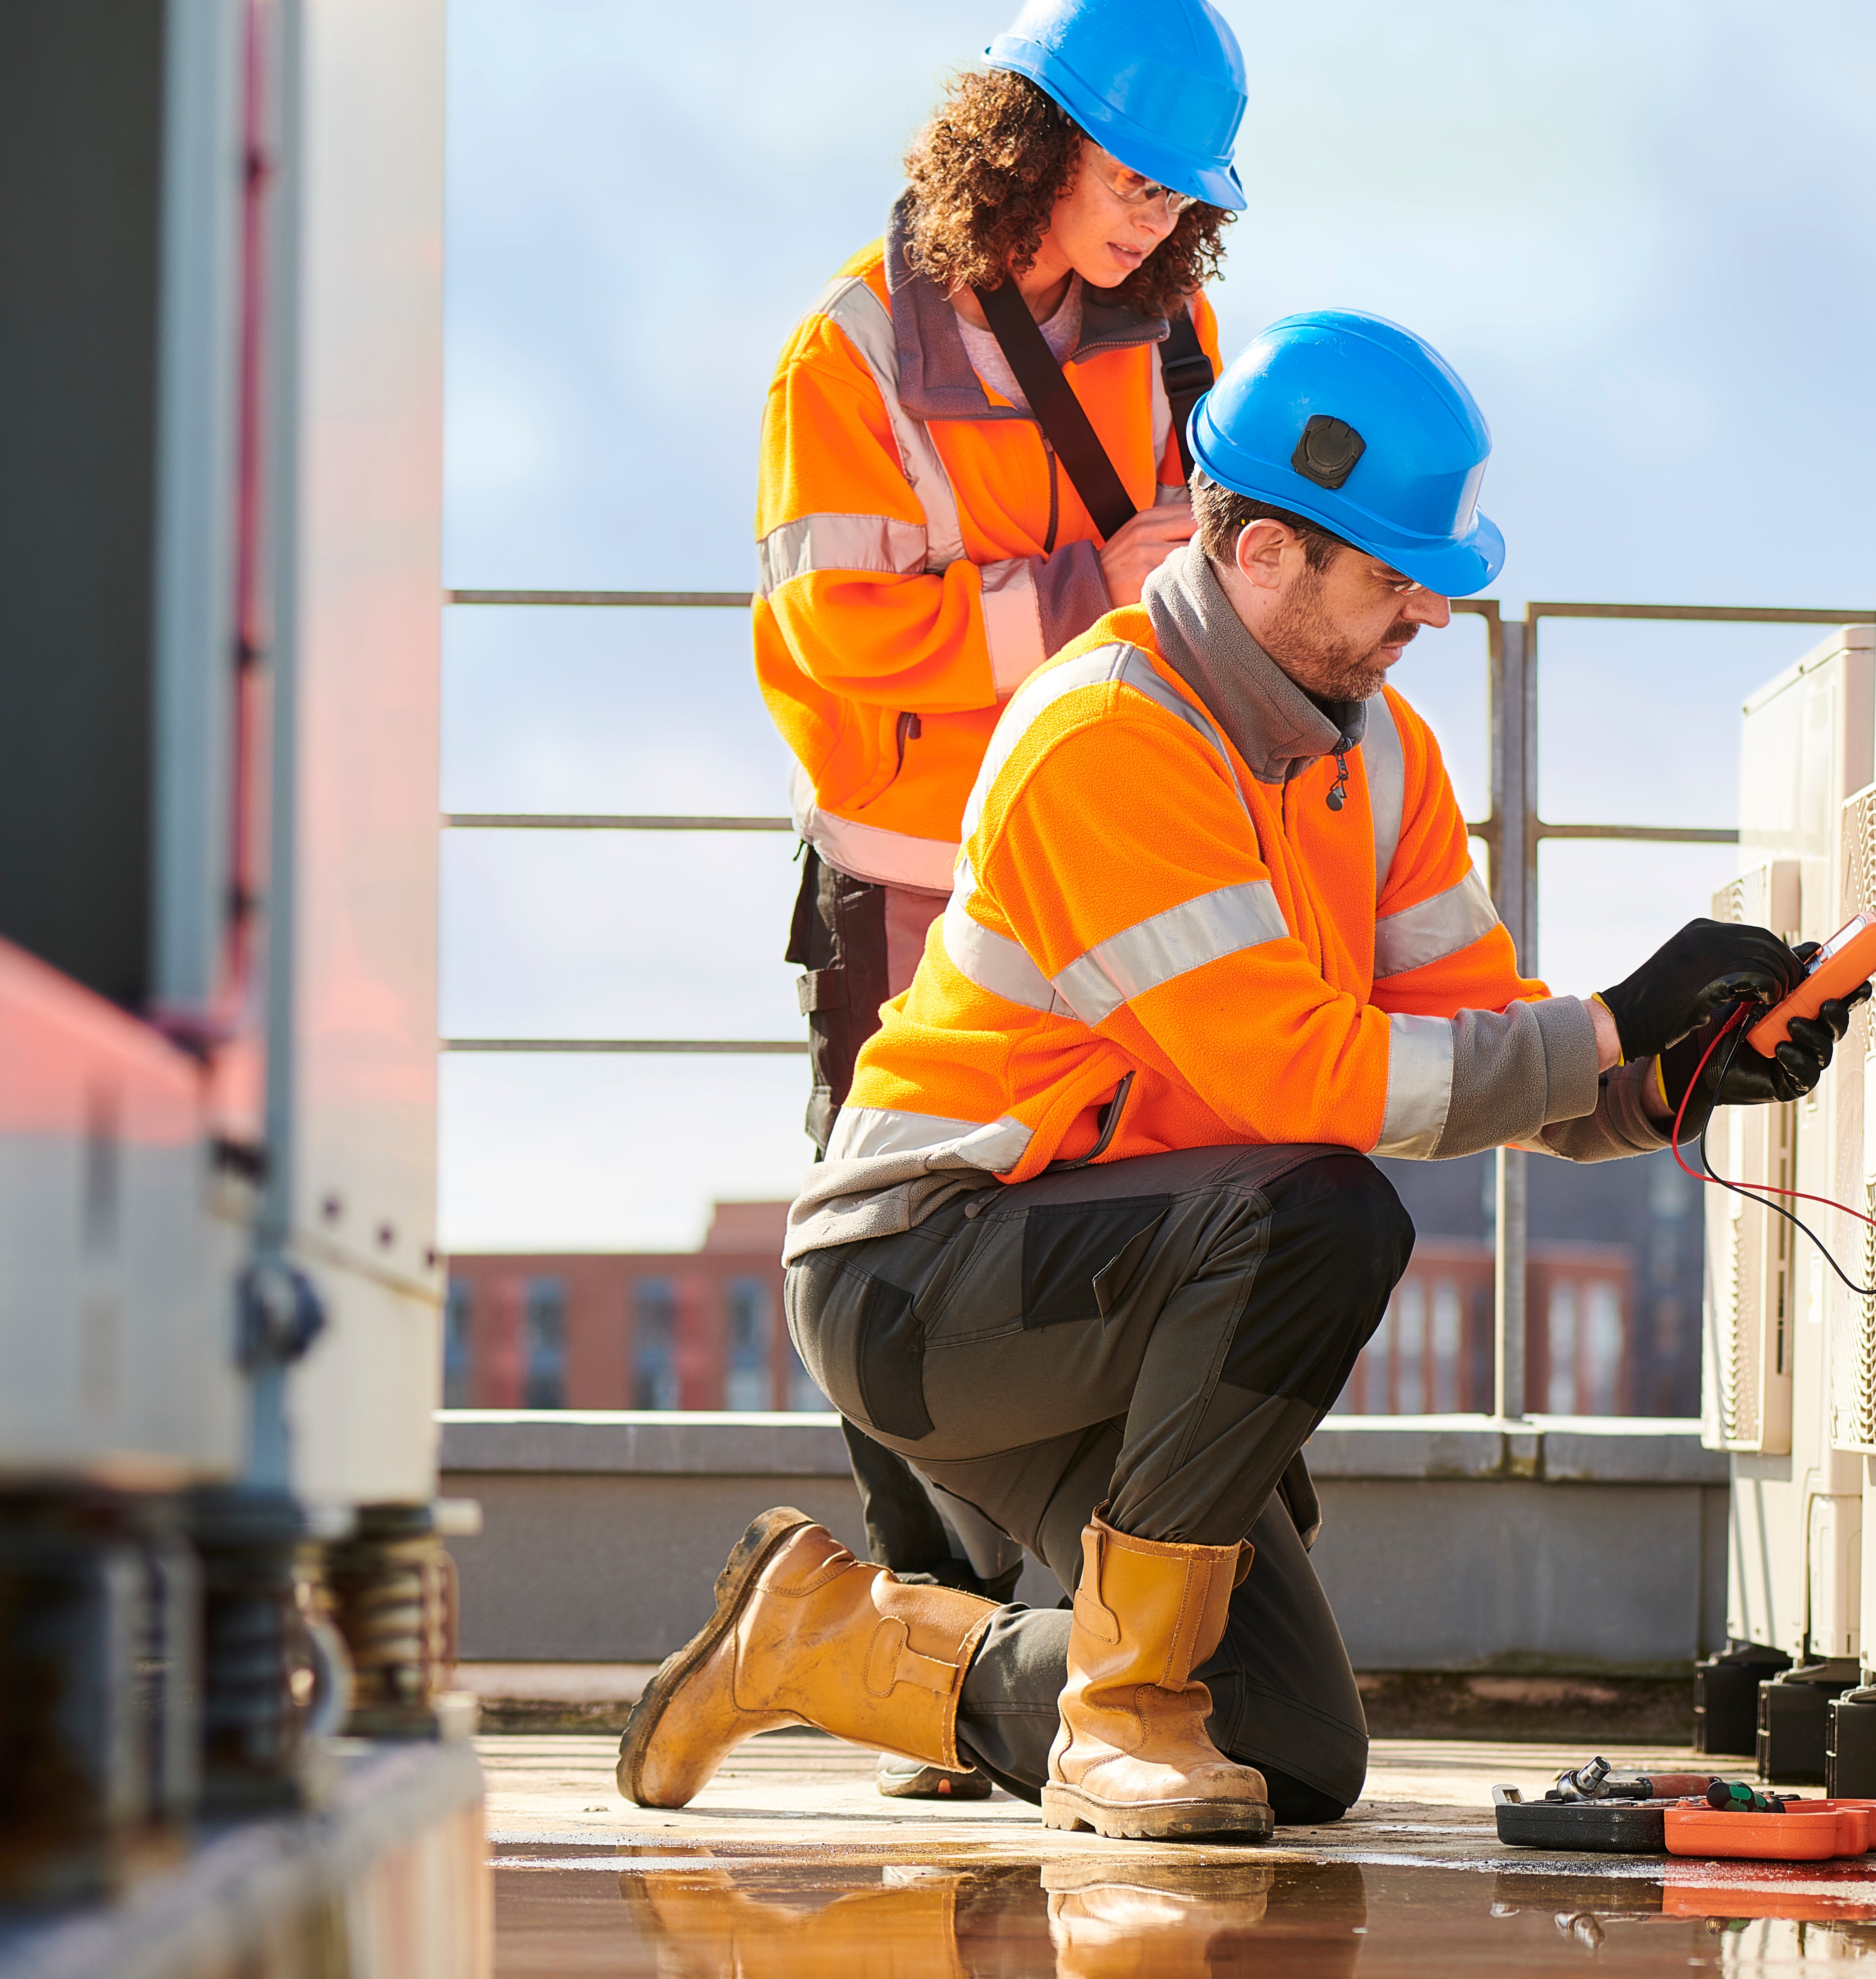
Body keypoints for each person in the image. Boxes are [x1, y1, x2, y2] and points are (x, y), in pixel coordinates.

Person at [621, 311, 1855, 1841]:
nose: (1428, 612)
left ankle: (821, 1638)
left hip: (1125, 1282)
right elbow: (1301, 1073)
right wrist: (1608, 1024)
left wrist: (1668, 1077)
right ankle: (1120, 1720)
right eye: (1396, 577)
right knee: (1331, 1213)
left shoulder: (1377, 747)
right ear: (1264, 551)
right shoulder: (1106, 738)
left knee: (1287, 1755)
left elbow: (1472, 1025)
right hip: (928, 1279)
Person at [750, 0, 1250, 1797]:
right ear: (1024, 142)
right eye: (1128, 178)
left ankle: (1026, 1641)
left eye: (1178, 194)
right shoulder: (850, 352)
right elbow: (841, 637)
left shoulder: (1176, 326)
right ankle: (918, 1631)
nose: (1148, 218)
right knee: (887, 1244)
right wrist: (1079, 585)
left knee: (1099, 1211)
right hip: (913, 877)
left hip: (1100, 858)